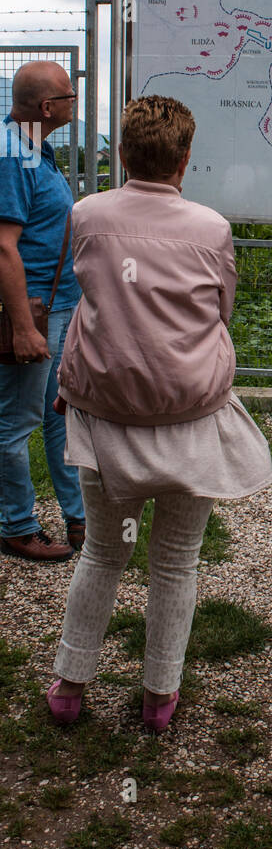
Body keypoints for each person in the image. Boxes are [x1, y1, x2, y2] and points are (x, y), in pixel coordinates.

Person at [45, 95, 272, 732]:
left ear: (121, 152)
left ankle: (69, 686)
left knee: (101, 554)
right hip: (190, 417)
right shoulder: (211, 228)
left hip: (104, 417)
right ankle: (158, 698)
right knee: (176, 560)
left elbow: (85, 297)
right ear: (185, 157)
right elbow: (220, 312)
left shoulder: (86, 216)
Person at [0, 61, 85, 563]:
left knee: (59, 417)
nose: (76, 101)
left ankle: (77, 518)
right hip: (32, 314)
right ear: (48, 107)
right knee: (15, 423)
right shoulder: (11, 156)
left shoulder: (36, 148)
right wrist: (24, 327)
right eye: (70, 95)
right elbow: (4, 248)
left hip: (56, 309)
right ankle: (15, 525)